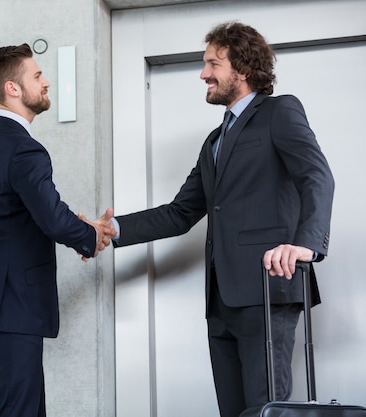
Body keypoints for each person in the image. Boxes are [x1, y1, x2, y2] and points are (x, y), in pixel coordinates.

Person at [95, 22, 334, 417]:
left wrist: (306, 244)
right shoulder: (214, 141)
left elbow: (317, 176)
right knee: (234, 411)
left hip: (267, 289)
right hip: (221, 300)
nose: (203, 73)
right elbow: (180, 212)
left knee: (266, 409)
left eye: (213, 64)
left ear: (241, 68)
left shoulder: (279, 111)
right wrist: (112, 229)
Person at [0, 43, 116, 417]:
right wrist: (92, 236)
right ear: (12, 88)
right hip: (13, 305)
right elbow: (52, 219)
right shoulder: (24, 149)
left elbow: (11, 214)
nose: (46, 83)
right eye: (37, 75)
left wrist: (80, 224)